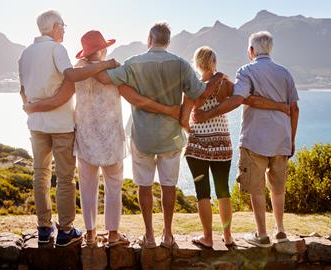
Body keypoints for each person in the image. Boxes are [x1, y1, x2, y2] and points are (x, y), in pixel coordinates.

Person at [23, 30, 181, 247]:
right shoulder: (114, 70)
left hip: (86, 137)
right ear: (103, 48)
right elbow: (131, 95)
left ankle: (90, 234)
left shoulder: (77, 71)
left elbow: (62, 97)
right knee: (113, 187)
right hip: (111, 139)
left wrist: (33, 106)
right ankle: (113, 234)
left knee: (87, 187)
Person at [95, 22, 225, 248]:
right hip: (172, 136)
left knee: (144, 186)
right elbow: (196, 93)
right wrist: (183, 117)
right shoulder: (181, 64)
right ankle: (167, 235)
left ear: (149, 39)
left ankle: (149, 236)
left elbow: (105, 79)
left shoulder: (134, 63)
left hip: (143, 136)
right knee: (169, 186)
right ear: (168, 41)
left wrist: (106, 65)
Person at [18, 10, 119, 247]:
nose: (64, 30)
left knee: (40, 174)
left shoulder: (25, 54)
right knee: (64, 178)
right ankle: (65, 230)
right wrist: (106, 63)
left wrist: (31, 107)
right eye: (62, 26)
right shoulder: (56, 49)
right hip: (61, 124)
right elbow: (72, 75)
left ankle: (44, 228)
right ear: (54, 27)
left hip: (36, 125)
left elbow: (22, 90)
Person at [195, 31, 300, 248]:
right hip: (282, 139)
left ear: (251, 51)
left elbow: (237, 100)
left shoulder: (246, 71)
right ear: (269, 49)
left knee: (257, 187)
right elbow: (294, 108)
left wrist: (207, 114)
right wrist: (292, 139)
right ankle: (280, 231)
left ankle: (261, 234)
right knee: (278, 188)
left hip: (255, 140)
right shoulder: (285, 73)